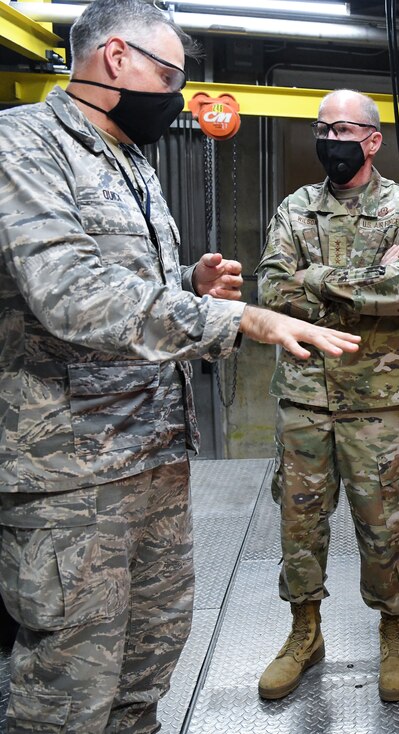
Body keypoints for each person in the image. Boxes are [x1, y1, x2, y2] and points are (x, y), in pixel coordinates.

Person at [0, 1, 361, 731]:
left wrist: (186, 288)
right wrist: (240, 316)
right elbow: (71, 296)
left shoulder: (130, 159)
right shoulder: (24, 144)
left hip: (155, 457)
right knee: (68, 691)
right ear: (116, 58)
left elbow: (130, 292)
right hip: (73, 476)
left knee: (147, 664)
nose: (174, 93)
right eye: (167, 74)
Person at [255, 89, 399, 703]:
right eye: (322, 127)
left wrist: (314, 277)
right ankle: (305, 634)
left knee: (384, 523)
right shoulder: (296, 207)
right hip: (305, 395)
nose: (331, 138)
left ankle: (394, 632)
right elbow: (272, 290)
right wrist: (349, 289)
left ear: (372, 139)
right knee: (299, 521)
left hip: (378, 398)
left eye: (344, 128)